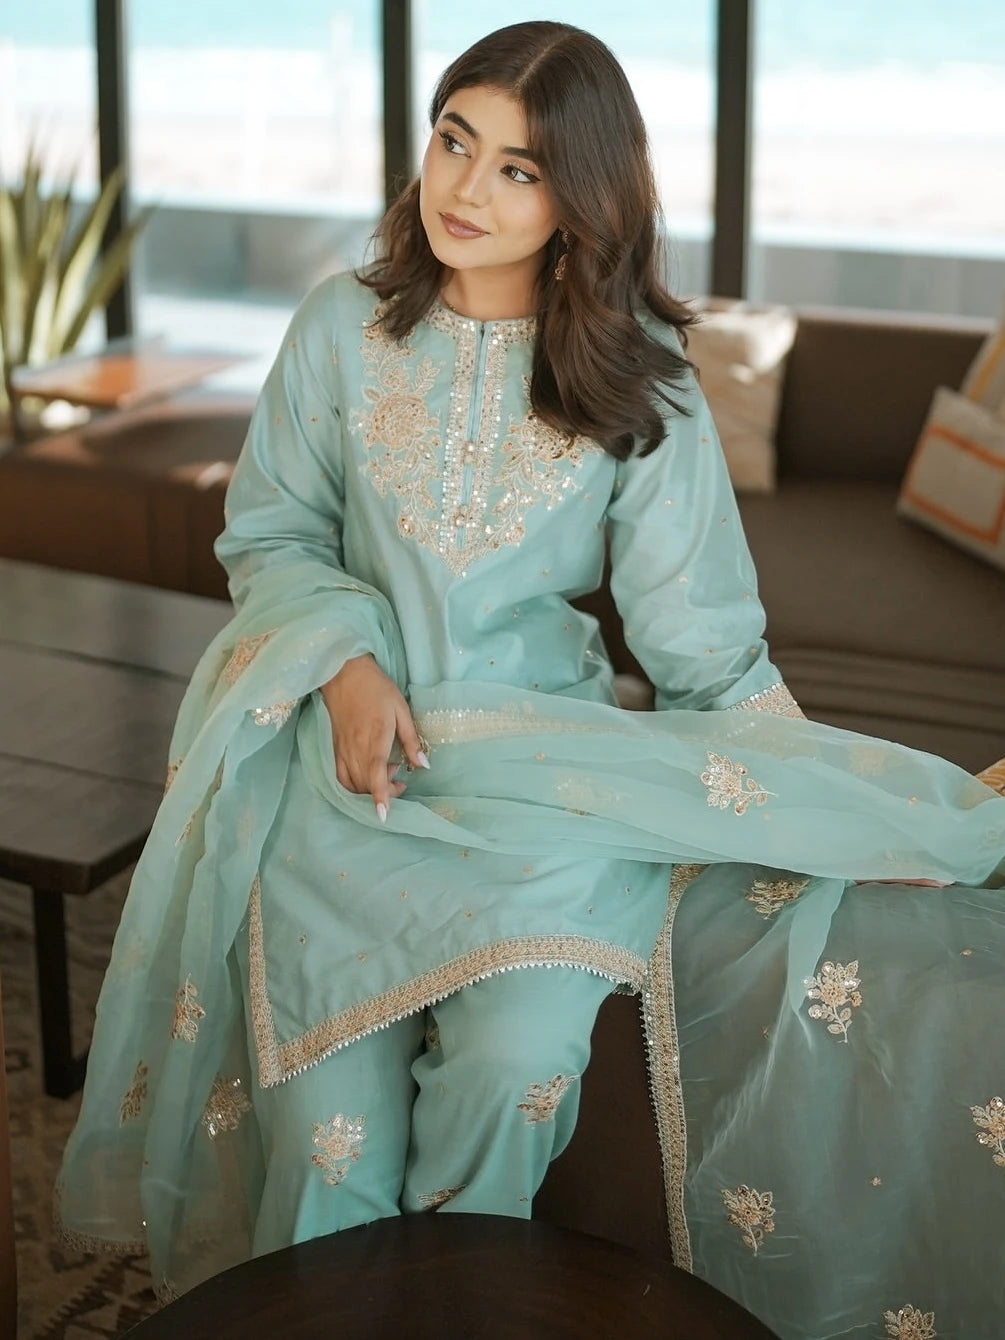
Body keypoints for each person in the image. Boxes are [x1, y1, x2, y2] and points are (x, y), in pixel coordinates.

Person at [57, 20, 1005, 1337]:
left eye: (517, 167)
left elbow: (703, 652)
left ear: (580, 196)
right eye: (456, 140)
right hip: (349, 788)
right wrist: (340, 666)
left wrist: (825, 803)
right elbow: (268, 533)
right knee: (327, 1134)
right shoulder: (342, 327)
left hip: (548, 789)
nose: (464, 187)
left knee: (511, 1070)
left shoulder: (640, 379)